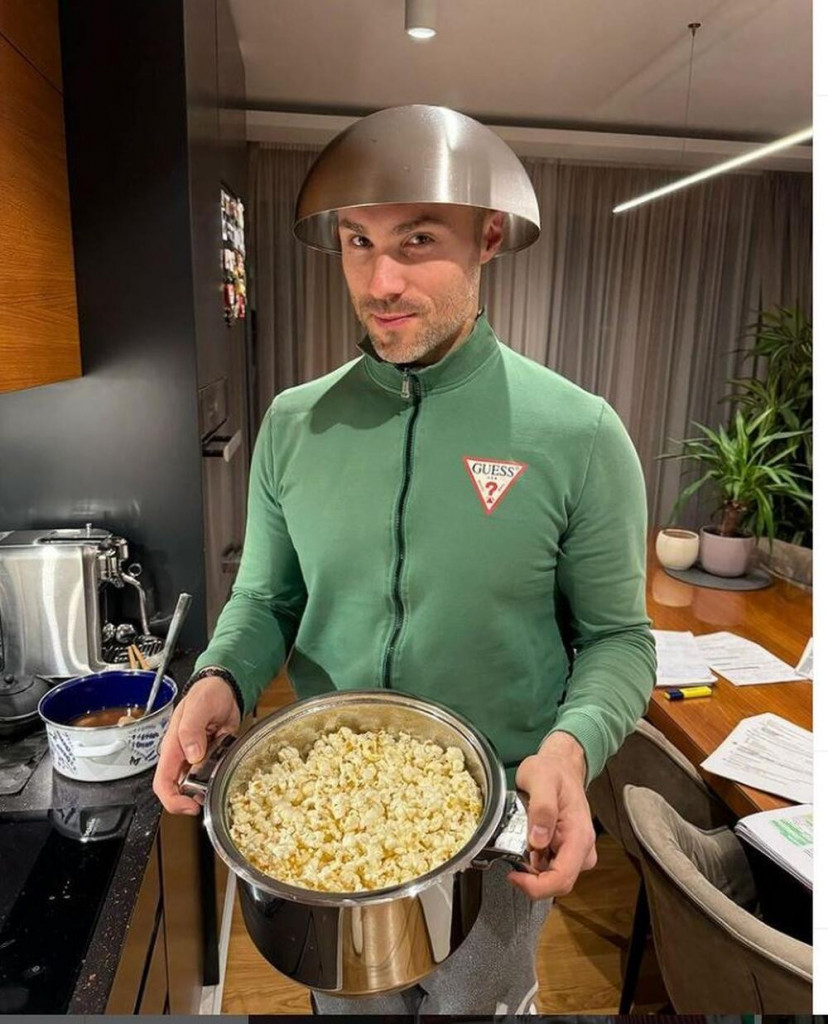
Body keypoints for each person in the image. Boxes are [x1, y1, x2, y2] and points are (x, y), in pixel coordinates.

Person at [154, 104, 656, 1015]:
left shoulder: (579, 435)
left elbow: (620, 638)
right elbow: (267, 596)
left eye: (418, 241)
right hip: (329, 833)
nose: (381, 280)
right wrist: (222, 675)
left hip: (495, 831)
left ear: (489, 236)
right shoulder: (295, 425)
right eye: (358, 242)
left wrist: (571, 749)